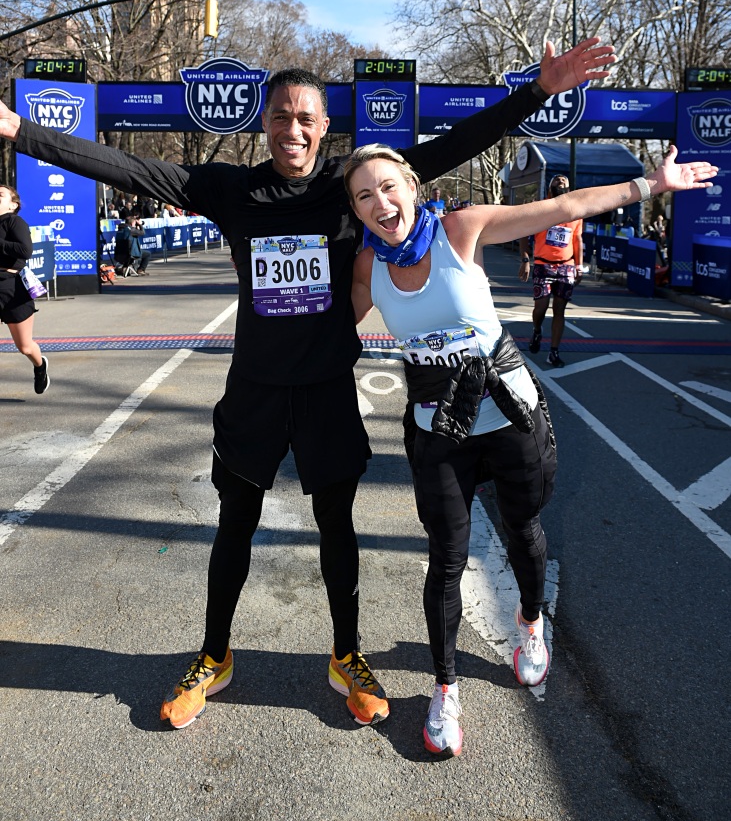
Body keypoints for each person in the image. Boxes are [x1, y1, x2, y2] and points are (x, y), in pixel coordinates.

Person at [0, 38, 616, 731]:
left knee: (337, 530)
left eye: (305, 119)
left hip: (325, 392)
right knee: (234, 527)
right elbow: (128, 167)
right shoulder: (231, 190)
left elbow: (455, 145)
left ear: (324, 129)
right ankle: (213, 654)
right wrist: (20, 129)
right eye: (280, 117)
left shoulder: (346, 192)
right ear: (263, 125)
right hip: (254, 393)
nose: (292, 129)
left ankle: (346, 653)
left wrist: (537, 92)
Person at [345, 142, 716, 757]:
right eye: (364, 196)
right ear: (356, 211)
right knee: (445, 558)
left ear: (411, 187)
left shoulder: (459, 230)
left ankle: (530, 623)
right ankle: (444, 687)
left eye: (388, 187)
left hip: (508, 416)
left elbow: (562, 205)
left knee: (523, 529)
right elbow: (330, 334)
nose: (380, 203)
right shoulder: (367, 268)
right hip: (439, 431)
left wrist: (649, 187)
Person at [518, 174, 583, 367]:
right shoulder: (540, 208)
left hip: (566, 265)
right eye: (557, 180)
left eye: (564, 180)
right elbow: (523, 233)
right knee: (541, 307)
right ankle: (537, 329)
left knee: (559, 310)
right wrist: (525, 259)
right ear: (549, 187)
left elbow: (577, 240)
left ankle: (554, 352)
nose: (560, 181)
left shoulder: (575, 212)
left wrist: (579, 266)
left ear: (569, 188)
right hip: (543, 264)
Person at [0, 184, 50, 394]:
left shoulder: (14, 221)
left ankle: (40, 367)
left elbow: (25, 250)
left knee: (25, 347)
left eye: (0, 194)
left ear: (13, 204)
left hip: (10, 288)